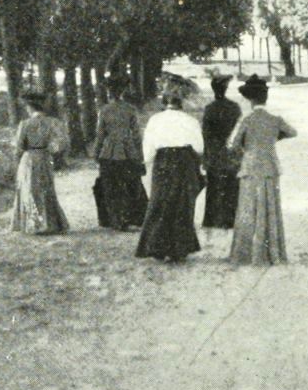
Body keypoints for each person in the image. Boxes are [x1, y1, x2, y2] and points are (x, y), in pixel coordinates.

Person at [228, 75, 297, 266]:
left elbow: (234, 145)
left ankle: (246, 254)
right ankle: (271, 252)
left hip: (250, 167)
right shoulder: (275, 119)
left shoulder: (247, 120)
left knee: (248, 208)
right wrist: (274, 138)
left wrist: (246, 148)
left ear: (250, 100)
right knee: (270, 208)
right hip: (270, 167)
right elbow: (292, 132)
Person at [136, 76, 205, 262]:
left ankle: (157, 246)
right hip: (184, 162)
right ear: (181, 102)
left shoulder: (155, 120)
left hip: (163, 162)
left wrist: (147, 162)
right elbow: (199, 147)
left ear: (164, 101)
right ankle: (179, 248)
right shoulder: (190, 121)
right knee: (182, 204)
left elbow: (148, 148)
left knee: (160, 202)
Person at [92, 76, 148, 231]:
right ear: (124, 91)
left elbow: (100, 135)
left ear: (109, 92)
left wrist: (96, 153)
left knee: (110, 186)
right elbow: (136, 135)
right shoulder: (130, 109)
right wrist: (140, 155)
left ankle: (115, 219)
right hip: (128, 151)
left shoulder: (104, 110)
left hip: (109, 152)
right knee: (131, 184)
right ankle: (133, 218)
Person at [10, 91, 69, 235]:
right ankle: (50, 223)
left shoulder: (25, 124)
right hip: (45, 157)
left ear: (30, 107)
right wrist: (50, 149)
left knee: (30, 189)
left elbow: (19, 146)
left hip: (29, 158)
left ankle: (34, 224)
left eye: (27, 107)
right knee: (46, 188)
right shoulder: (52, 122)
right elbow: (61, 142)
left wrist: (19, 155)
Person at [201, 72, 243, 229]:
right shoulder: (234, 108)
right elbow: (239, 131)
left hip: (214, 151)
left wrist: (205, 157)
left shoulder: (209, 109)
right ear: (226, 89)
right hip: (230, 151)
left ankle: (212, 219)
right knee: (231, 185)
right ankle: (230, 219)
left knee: (213, 185)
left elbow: (205, 134)